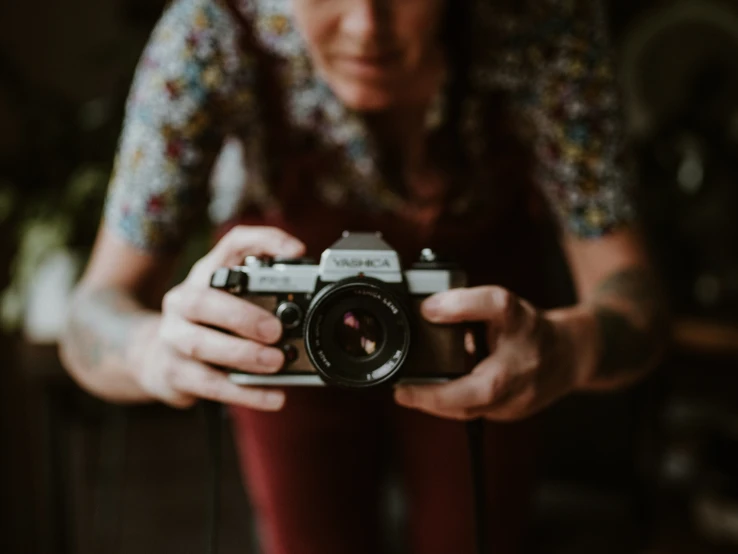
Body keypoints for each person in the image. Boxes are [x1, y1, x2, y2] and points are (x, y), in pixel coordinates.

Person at [58, 0, 668, 552]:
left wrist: (568, 348)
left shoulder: (543, 20)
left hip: (471, 332)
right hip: (287, 340)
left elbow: (634, 295)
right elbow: (91, 311)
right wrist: (151, 350)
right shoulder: (210, 31)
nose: (365, 28)